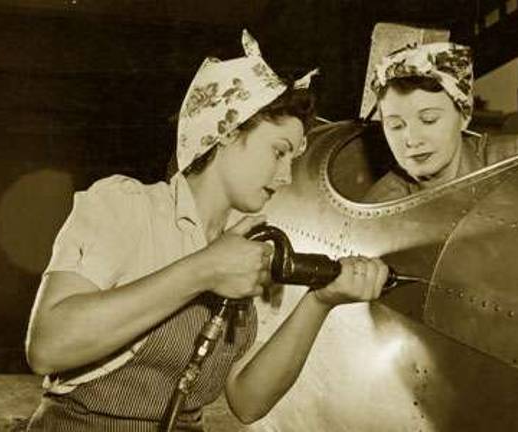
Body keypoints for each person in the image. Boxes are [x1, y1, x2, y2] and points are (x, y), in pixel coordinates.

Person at [25, 30, 389, 431]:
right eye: (278, 151)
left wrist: (320, 303)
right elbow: (48, 346)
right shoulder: (125, 205)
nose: (285, 176)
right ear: (228, 131)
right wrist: (203, 269)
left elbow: (247, 401)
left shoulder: (253, 246)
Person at [362, 42, 518, 203]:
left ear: (464, 117)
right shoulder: (380, 205)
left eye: (429, 120)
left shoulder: (515, 159)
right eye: (396, 126)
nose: (413, 140)